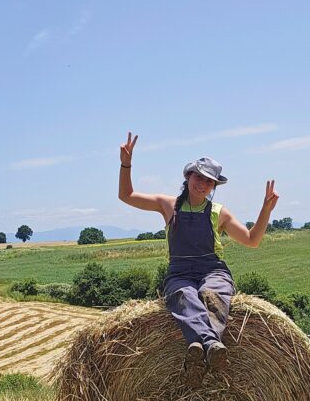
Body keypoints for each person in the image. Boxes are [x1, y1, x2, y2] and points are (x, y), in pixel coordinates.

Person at [118, 132, 279, 385]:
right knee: (184, 296)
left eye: (209, 182)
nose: (202, 184)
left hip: (212, 271)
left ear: (214, 187)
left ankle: (198, 346)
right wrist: (126, 164)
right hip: (179, 273)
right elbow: (126, 195)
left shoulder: (219, 212)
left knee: (212, 295)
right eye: (199, 177)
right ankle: (212, 345)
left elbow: (252, 239)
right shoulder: (167, 205)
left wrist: (265, 211)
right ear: (188, 176)